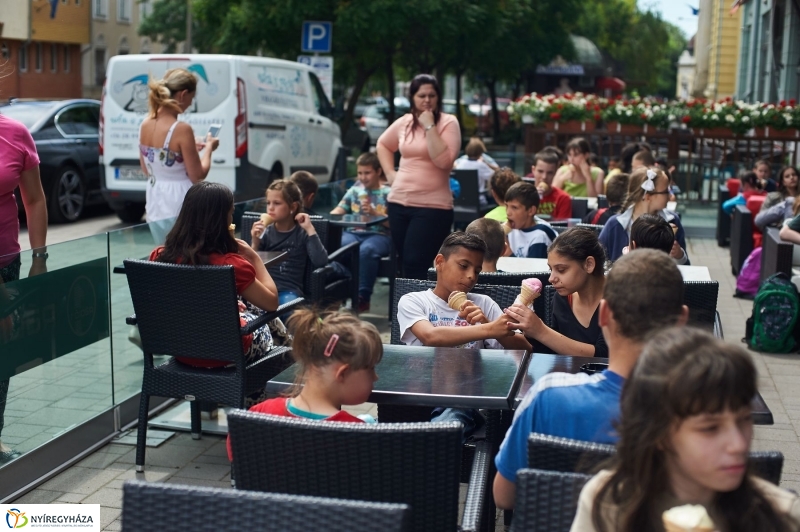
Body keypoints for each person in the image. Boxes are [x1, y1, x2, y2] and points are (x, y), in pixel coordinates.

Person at [494, 249, 688, 510]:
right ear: (681, 321)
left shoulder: (546, 399)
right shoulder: (704, 413)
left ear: (604, 313)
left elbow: (504, 498)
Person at [571, 327, 800, 532]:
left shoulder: (782, 515)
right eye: (710, 428)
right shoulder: (608, 503)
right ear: (659, 433)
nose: (739, 444)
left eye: (743, 420)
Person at [397, 232, 530, 440]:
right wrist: (488, 329)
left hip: (466, 397)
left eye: (477, 270)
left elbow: (524, 349)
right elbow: (430, 336)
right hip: (420, 394)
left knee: (450, 420)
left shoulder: (483, 303)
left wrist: (487, 322)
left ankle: (431, 446)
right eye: (463, 266)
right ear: (440, 262)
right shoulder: (414, 301)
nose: (471, 276)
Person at [150, 182, 279, 368]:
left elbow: (183, 298)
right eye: (231, 212)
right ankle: (265, 385)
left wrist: (226, 303)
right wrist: (253, 256)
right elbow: (272, 302)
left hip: (181, 350)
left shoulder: (160, 256)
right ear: (221, 219)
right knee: (268, 319)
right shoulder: (232, 264)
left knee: (251, 307)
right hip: (226, 354)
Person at [226, 308, 383, 461]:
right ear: (342, 373)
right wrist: (367, 425)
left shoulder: (256, 417)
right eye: (371, 369)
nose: (375, 377)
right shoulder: (360, 434)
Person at [377, 74, 461, 280]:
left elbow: (444, 162)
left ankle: (418, 309)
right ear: (412, 97)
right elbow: (383, 144)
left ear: (438, 97)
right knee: (403, 262)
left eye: (432, 95)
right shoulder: (405, 122)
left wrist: (429, 126)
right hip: (399, 202)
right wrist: (390, 173)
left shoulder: (448, 123)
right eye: (421, 95)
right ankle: (404, 309)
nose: (427, 100)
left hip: (433, 206)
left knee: (417, 262)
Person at [0, 102, 48, 463]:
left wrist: (39, 257)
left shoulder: (16, 134)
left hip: (7, 264)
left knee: (4, 353)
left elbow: (34, 199)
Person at [138, 68, 219, 243]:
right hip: (180, 202)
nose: (191, 104)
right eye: (192, 97)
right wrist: (209, 148)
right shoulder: (181, 129)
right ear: (183, 94)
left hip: (154, 199)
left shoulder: (145, 124)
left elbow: (147, 169)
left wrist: (187, 152)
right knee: (186, 258)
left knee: (164, 254)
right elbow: (197, 175)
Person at [505, 227, 609, 358]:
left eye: (561, 270)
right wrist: (530, 331)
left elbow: (605, 355)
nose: (551, 278)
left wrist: (540, 331)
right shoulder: (563, 298)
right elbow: (554, 352)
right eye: (551, 269)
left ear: (589, 264)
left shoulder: (621, 299)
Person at [330, 152, 392, 313]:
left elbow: (394, 224)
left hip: (379, 235)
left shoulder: (388, 193)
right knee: (341, 246)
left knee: (367, 251)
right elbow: (338, 211)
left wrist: (374, 212)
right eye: (360, 173)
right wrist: (337, 213)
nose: (363, 177)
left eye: (367, 173)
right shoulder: (354, 191)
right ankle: (341, 292)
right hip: (353, 232)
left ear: (378, 172)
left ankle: (363, 298)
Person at [250, 179, 328, 304]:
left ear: (293, 206)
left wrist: (310, 229)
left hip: (288, 291)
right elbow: (251, 266)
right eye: (268, 203)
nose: (270, 208)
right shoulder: (266, 232)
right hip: (264, 288)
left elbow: (321, 261)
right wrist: (255, 242)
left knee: (288, 309)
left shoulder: (302, 233)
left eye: (277, 203)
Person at [599, 167, 689, 263]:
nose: (671, 195)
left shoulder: (673, 220)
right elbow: (598, 259)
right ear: (648, 197)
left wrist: (679, 255)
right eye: (666, 191)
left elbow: (688, 266)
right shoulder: (615, 225)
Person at [504, 181, 558, 258]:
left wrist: (508, 253)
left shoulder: (540, 236)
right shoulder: (509, 230)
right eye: (507, 206)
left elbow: (533, 269)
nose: (508, 212)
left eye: (514, 207)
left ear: (531, 211)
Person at [454, 137, 496, 206]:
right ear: (480, 152)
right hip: (479, 201)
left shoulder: (460, 163)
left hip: (461, 201)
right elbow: (493, 177)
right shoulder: (481, 165)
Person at [531, 149, 572, 219]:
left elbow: (562, 226)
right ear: (533, 170)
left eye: (550, 173)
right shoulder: (523, 196)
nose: (544, 177)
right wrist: (531, 197)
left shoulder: (563, 198)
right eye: (540, 171)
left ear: (556, 172)